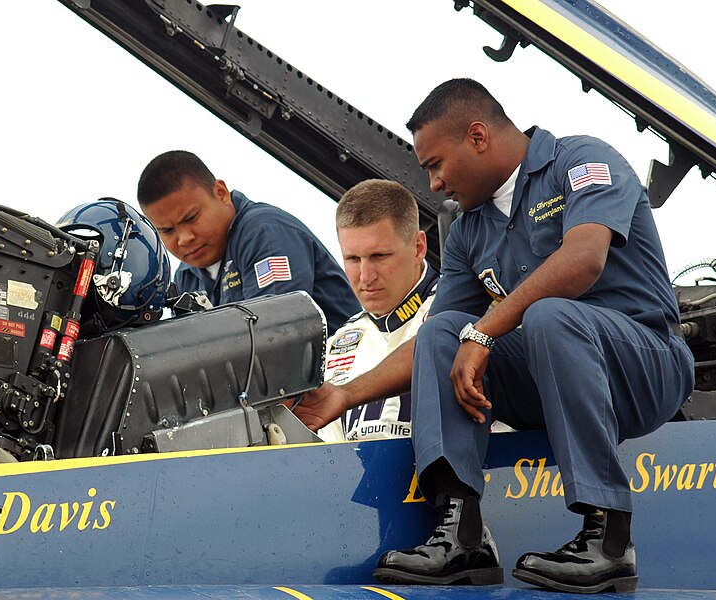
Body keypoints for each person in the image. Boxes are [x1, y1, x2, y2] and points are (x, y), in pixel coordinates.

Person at [298, 78, 695, 593]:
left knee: (552, 314)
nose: (434, 184)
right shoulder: (467, 228)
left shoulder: (579, 162)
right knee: (442, 330)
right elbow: (437, 343)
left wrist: (484, 332)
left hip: (645, 368)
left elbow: (583, 259)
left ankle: (609, 538)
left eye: (436, 164)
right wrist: (345, 394)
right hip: (551, 380)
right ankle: (462, 535)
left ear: (479, 137)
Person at [136, 150, 360, 332]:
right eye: (166, 231)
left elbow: (276, 330)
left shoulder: (265, 232)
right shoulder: (186, 277)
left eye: (191, 218)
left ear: (221, 193)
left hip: (341, 376)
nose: (184, 239)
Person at [313, 179, 438, 442]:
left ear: (418, 247)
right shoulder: (337, 344)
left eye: (379, 256)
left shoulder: (463, 313)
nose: (366, 276)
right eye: (353, 259)